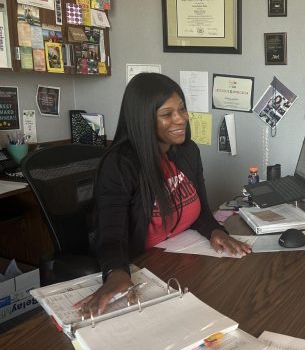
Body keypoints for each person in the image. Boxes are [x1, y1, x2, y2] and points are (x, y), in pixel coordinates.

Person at [76, 73, 251, 316]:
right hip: (145, 268)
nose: (180, 119)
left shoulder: (187, 151)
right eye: (167, 114)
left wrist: (215, 230)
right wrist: (117, 273)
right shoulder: (121, 164)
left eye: (182, 109)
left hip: (182, 260)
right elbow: (111, 233)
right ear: (143, 119)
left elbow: (198, 205)